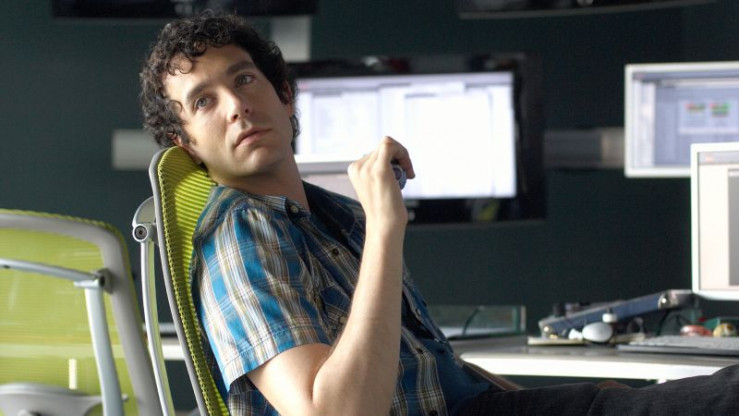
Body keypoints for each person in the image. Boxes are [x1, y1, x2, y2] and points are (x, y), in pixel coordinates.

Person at [140, 11, 739, 416]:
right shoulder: (240, 233)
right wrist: (386, 226)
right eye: (204, 101)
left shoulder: (333, 214)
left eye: (245, 79)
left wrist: (564, 397)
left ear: (285, 93)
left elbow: (425, 369)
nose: (237, 106)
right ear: (185, 144)